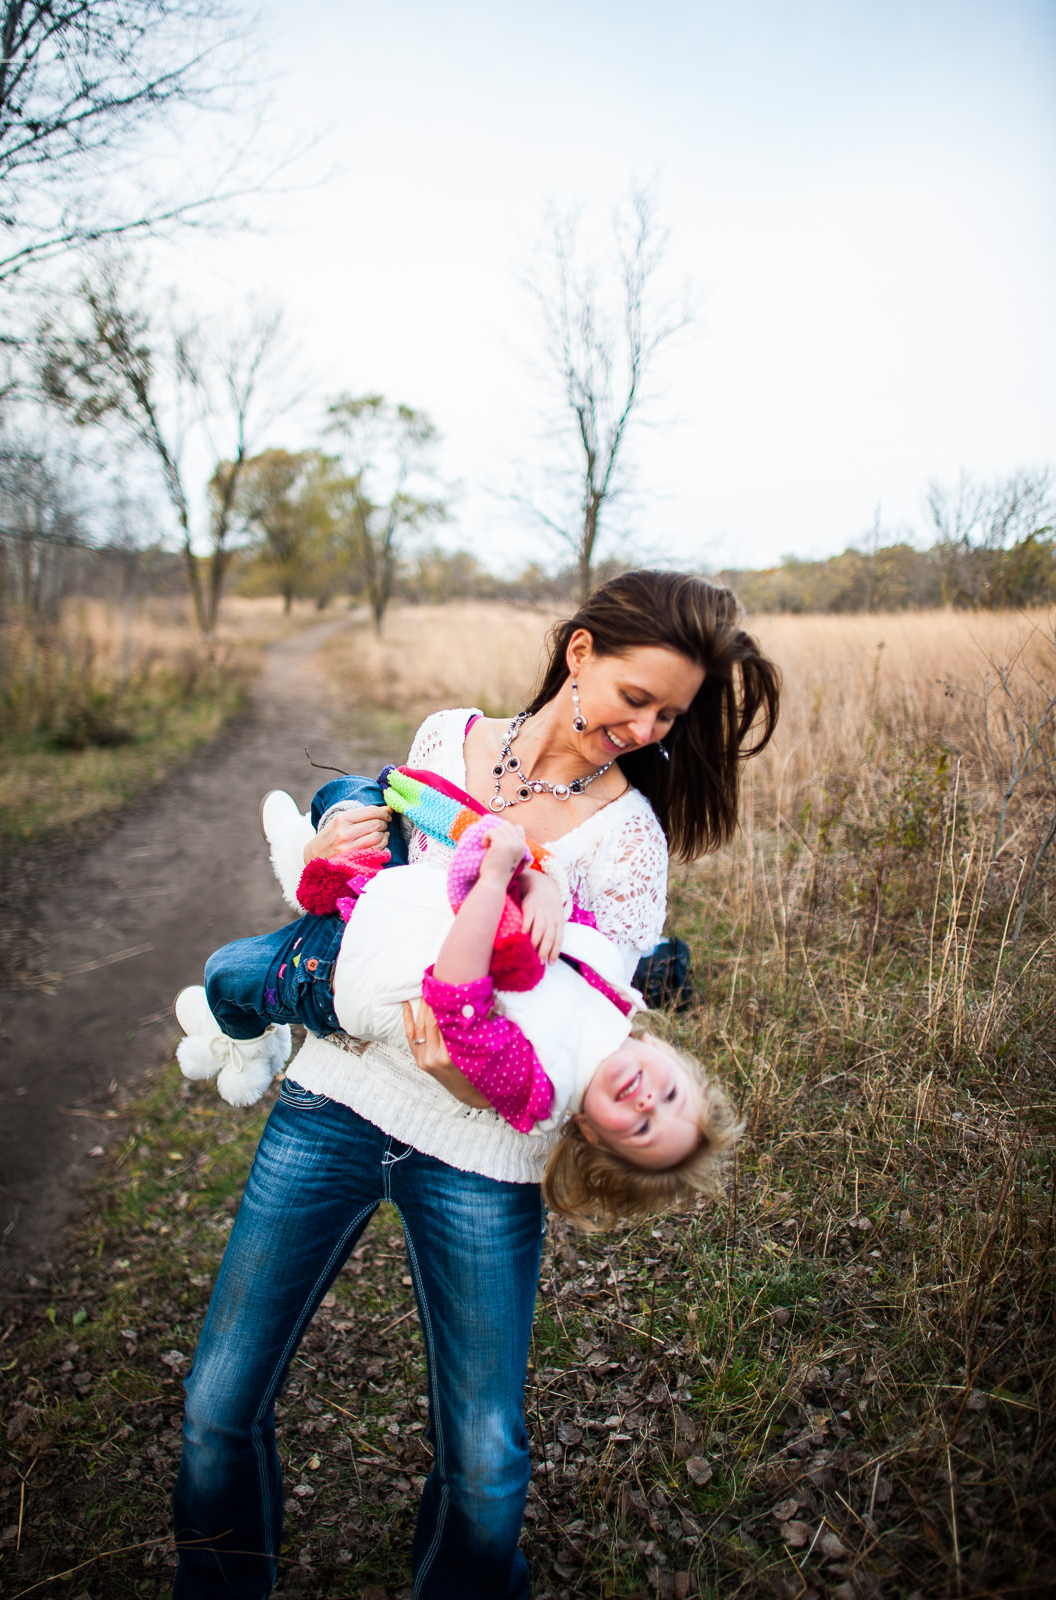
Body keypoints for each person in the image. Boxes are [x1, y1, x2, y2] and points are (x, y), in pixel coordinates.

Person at [172, 570, 781, 1599]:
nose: (647, 727)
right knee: (216, 1407)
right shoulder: (445, 736)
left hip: (485, 1157)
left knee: (490, 1468)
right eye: (637, 696)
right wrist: (334, 842)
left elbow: (595, 1040)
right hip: (337, 1098)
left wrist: (476, 1079)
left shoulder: (629, 842)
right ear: (580, 651)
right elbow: (379, 908)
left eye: (670, 715)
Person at [173, 789, 742, 1224]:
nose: (648, 1101)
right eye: (668, 1096)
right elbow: (563, 926)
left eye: (642, 1126)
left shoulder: (539, 1090)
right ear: (660, 1048)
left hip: (343, 971)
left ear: (593, 1134)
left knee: (229, 974)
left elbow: (455, 1000)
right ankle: (310, 866)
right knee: (352, 792)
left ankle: (247, 1044)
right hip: (393, 898)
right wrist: (539, 882)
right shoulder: (614, 993)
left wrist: (493, 880)